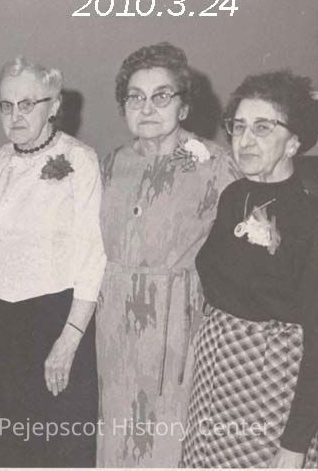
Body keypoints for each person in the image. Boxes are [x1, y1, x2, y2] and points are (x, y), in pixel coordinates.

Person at [95, 42, 240, 466]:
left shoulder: (216, 164)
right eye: (135, 97)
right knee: (117, 432)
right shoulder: (111, 164)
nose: (147, 108)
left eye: (161, 96)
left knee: (168, 437)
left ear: (184, 105)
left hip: (179, 322)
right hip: (114, 321)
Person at [0, 56, 106, 467]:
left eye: (27, 104)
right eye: (6, 105)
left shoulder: (80, 159)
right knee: (1, 444)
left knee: (52, 444)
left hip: (55, 321)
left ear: (55, 105)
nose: (15, 116)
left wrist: (69, 339)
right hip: (0, 321)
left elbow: (93, 256)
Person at [181, 70, 318, 468]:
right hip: (214, 372)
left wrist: (295, 443)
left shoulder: (308, 217)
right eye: (238, 126)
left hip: (272, 381)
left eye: (262, 127)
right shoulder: (234, 195)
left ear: (293, 142)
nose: (245, 139)